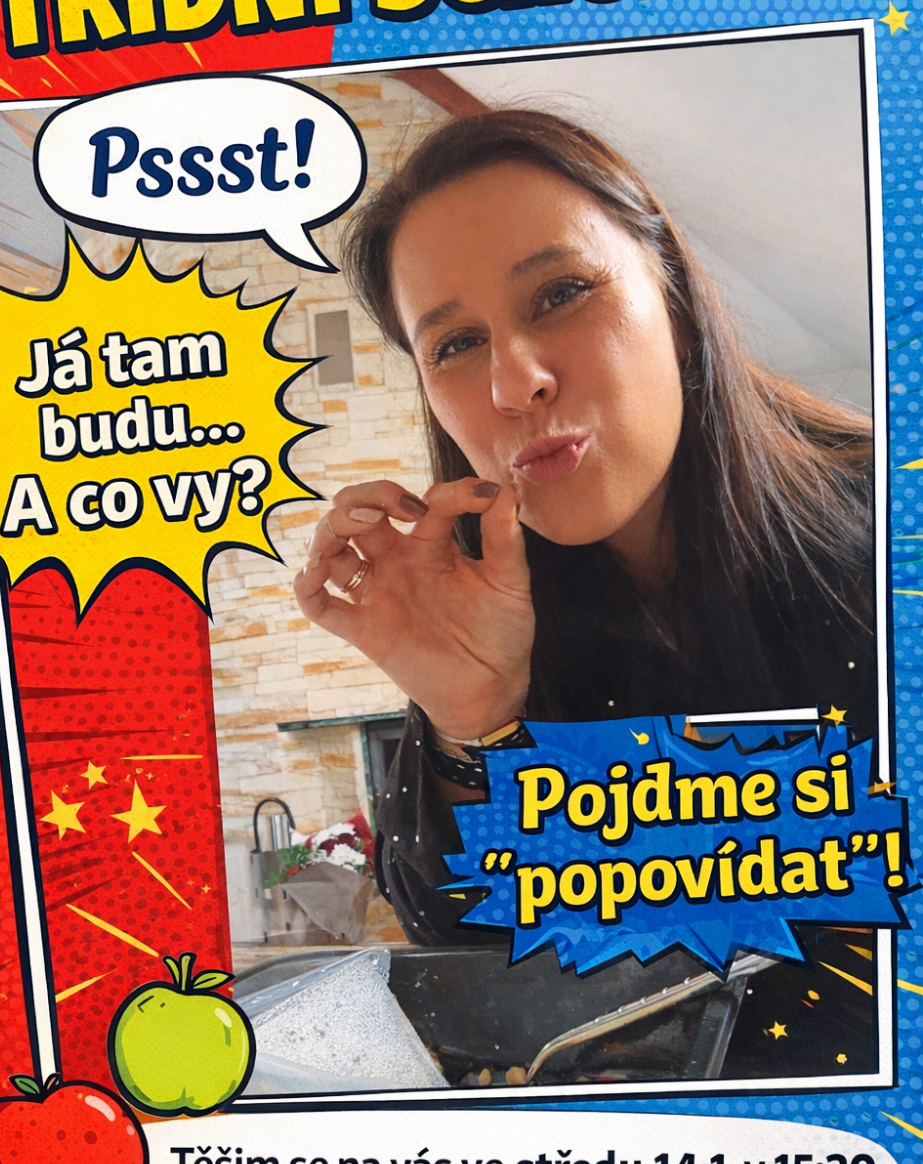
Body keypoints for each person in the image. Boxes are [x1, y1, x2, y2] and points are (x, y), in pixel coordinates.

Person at [293, 109, 875, 945]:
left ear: (676, 308)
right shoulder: (496, 615)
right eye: (456, 344)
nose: (514, 384)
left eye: (561, 294)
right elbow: (468, 947)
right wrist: (472, 719)